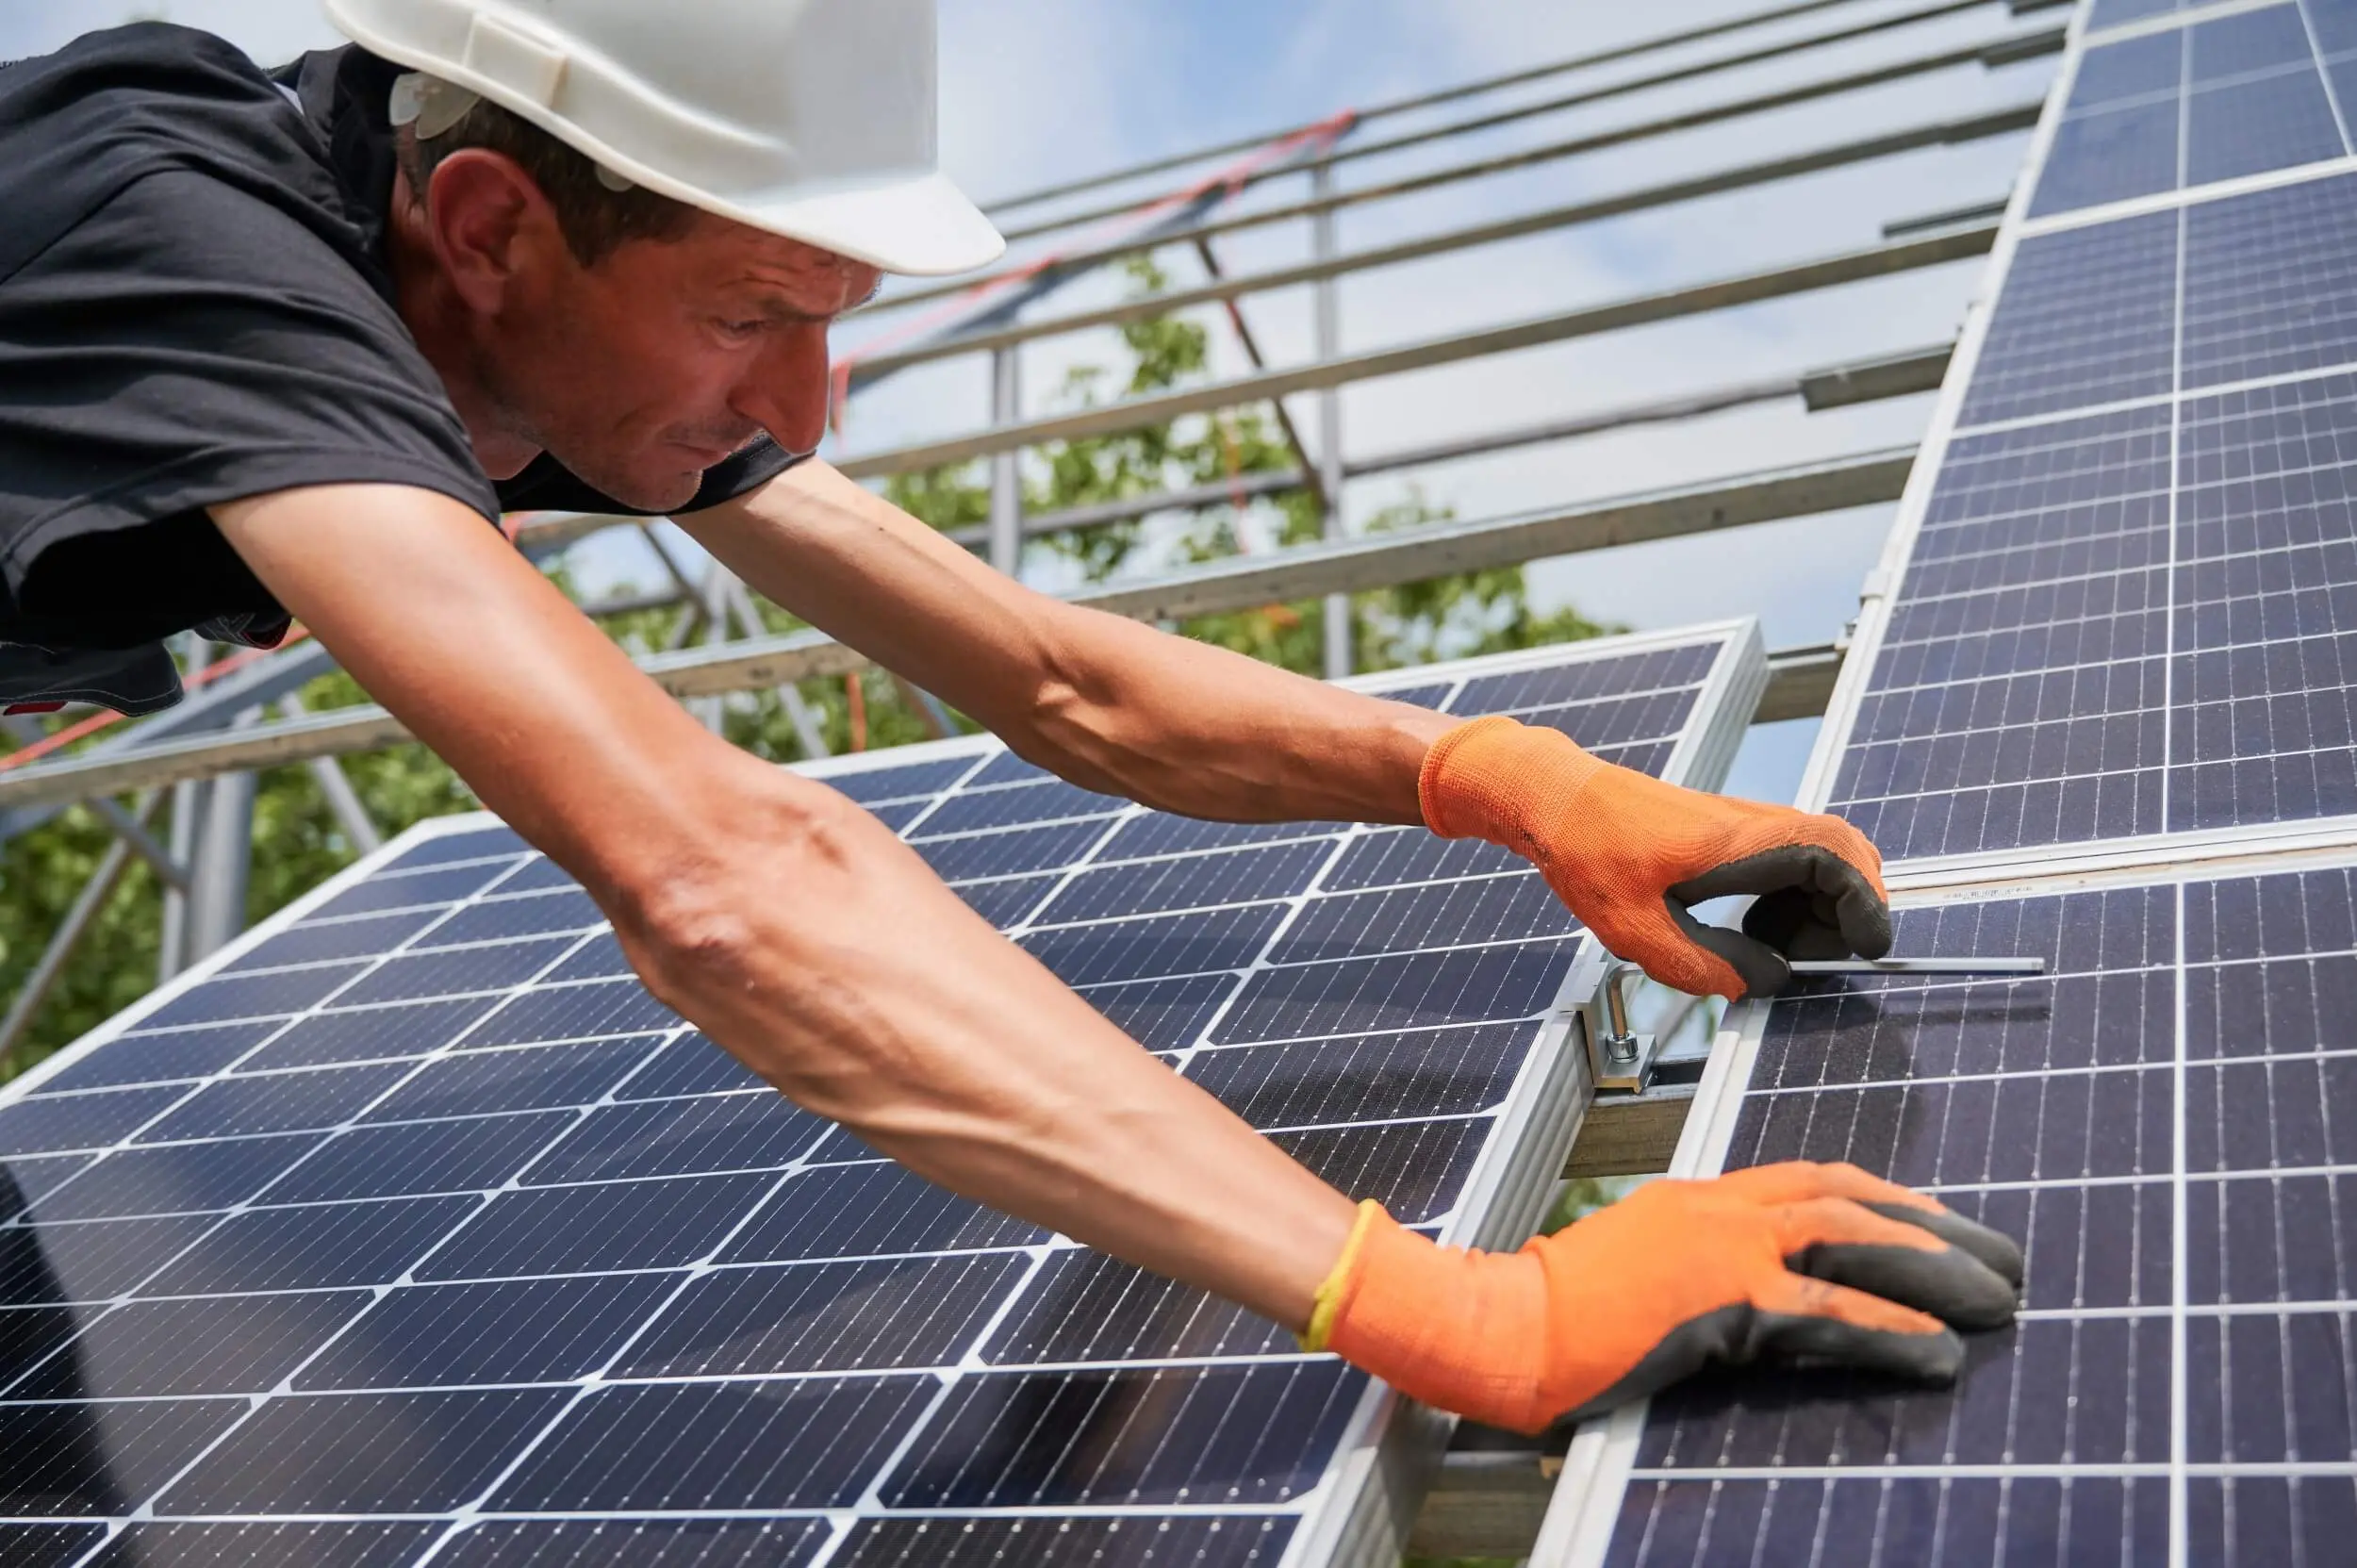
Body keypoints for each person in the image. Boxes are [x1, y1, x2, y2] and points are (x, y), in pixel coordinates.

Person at [0, 1, 2020, 1434]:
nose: (797, 416)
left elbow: (1057, 678)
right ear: (488, 227)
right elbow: (713, 878)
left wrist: (1501, 781)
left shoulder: (532, 331)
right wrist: (1449, 1306)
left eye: (830, 323)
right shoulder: (182, 229)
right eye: (747, 317)